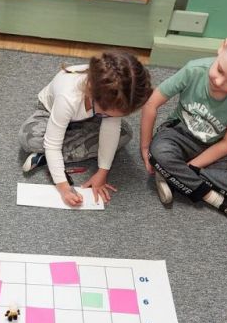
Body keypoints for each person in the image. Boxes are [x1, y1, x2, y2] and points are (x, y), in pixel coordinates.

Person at [140, 23, 227, 224]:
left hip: (215, 147)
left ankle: (174, 175)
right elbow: (151, 104)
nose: (219, 82)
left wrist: (192, 167)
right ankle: (215, 199)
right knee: (159, 152)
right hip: (179, 134)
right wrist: (145, 147)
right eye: (220, 69)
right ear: (222, 47)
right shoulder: (194, 69)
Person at [19, 51, 152, 206]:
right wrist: (63, 187)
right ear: (92, 94)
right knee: (29, 139)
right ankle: (51, 153)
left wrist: (102, 172)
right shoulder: (68, 98)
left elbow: (111, 131)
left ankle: (47, 156)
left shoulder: (110, 97)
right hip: (50, 112)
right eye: (109, 114)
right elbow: (53, 144)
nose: (113, 117)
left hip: (91, 116)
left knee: (125, 133)